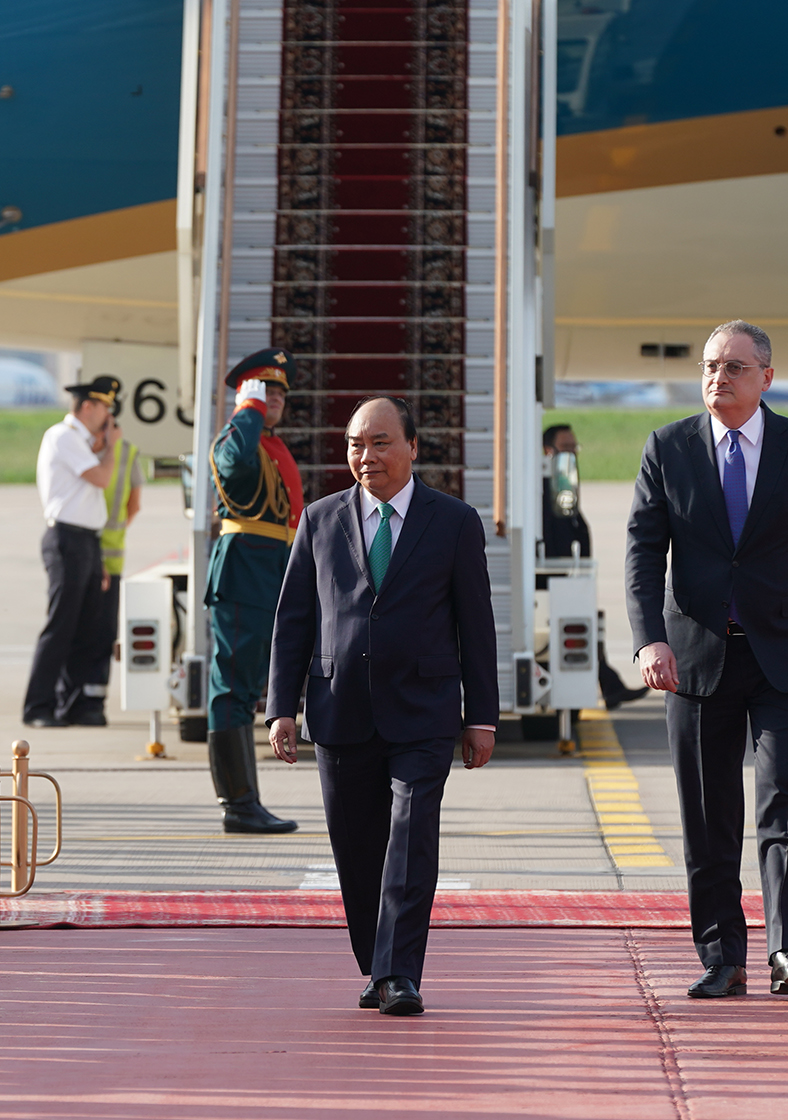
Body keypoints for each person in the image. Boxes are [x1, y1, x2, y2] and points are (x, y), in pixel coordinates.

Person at [625, 320, 788, 1000]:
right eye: (709, 365)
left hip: (786, 655)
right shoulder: (666, 447)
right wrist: (649, 638)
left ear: (767, 377)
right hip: (695, 661)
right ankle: (723, 956)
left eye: (733, 366)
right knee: (709, 813)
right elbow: (642, 552)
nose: (717, 377)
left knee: (785, 794)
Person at [266, 396, 499, 1017]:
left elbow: (476, 624)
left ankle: (399, 973)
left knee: (410, 835)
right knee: (357, 848)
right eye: (355, 445)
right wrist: (280, 707)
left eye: (381, 443)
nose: (366, 458)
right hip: (339, 709)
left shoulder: (453, 522)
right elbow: (294, 620)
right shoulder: (319, 519)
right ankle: (376, 963)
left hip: (422, 712)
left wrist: (482, 715)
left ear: (413, 447)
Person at [206, 350, 302, 834]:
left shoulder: (271, 444)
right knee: (234, 689)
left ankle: (247, 802)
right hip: (244, 571)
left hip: (273, 571)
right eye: (267, 390)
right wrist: (247, 411)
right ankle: (238, 803)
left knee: (250, 689)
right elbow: (235, 465)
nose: (276, 400)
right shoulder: (236, 440)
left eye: (281, 392)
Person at [21, 375, 119, 728]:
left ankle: (74, 704)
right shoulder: (63, 436)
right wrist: (110, 445)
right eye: (105, 407)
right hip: (66, 539)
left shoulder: (81, 442)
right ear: (87, 407)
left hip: (87, 541)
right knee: (62, 625)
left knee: (86, 627)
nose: (109, 415)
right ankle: (38, 706)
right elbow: (102, 478)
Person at [540, 423, 647, 709]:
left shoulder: (562, 484)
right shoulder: (543, 491)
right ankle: (612, 686)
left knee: (589, 628)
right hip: (550, 580)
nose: (573, 454)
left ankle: (612, 686)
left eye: (575, 448)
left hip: (568, 576)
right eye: (566, 449)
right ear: (547, 452)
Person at [72, 415, 142, 727]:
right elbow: (134, 505)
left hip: (88, 552)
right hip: (108, 556)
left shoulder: (88, 451)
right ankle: (91, 705)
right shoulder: (126, 452)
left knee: (77, 631)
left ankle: (77, 701)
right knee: (99, 635)